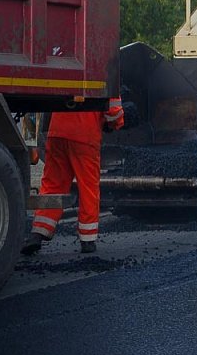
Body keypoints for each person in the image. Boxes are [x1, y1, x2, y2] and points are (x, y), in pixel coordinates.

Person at [21, 98, 124, 255]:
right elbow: (114, 113)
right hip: (84, 136)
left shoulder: (65, 73)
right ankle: (87, 240)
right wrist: (116, 123)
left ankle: (38, 233)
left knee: (53, 184)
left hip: (57, 134)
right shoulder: (102, 73)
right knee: (88, 187)